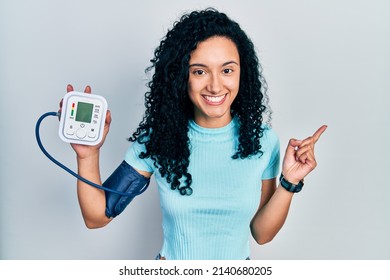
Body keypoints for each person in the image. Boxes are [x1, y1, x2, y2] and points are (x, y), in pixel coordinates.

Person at [61, 8, 326, 260]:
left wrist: (290, 182)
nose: (215, 85)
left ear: (241, 74)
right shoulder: (158, 140)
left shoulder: (262, 141)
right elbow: (97, 217)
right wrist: (88, 155)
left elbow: (262, 233)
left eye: (227, 70)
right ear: (181, 76)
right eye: (199, 71)